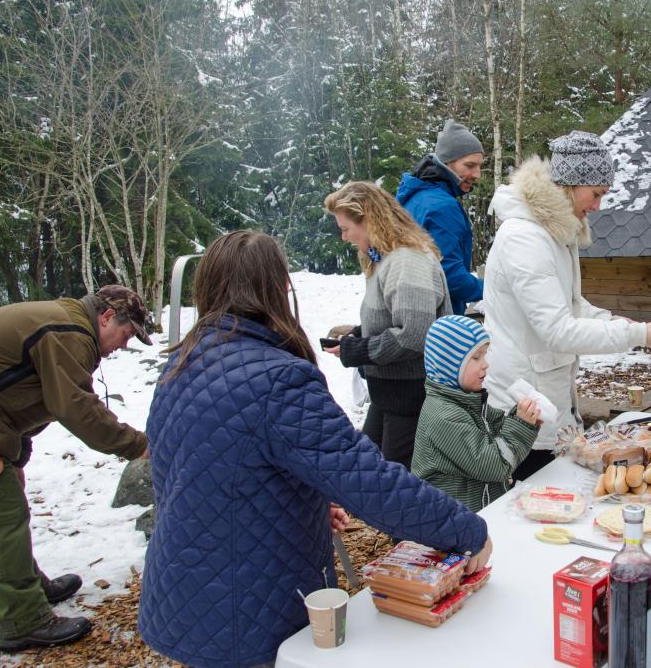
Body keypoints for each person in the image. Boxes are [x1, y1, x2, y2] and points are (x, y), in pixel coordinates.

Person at [139, 231, 490, 667]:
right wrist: (467, 531)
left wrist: (296, 496)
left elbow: (202, 469)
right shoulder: (279, 378)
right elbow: (369, 482)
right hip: (248, 604)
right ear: (278, 290)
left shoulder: (184, 360)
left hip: (181, 591)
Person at [482, 131, 651, 479]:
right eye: (596, 194)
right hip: (524, 402)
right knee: (530, 504)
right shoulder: (525, 237)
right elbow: (557, 330)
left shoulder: (554, 231)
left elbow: (570, 305)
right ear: (570, 184)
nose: (597, 206)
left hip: (546, 393)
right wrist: (638, 334)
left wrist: (616, 323)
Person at [0, 285, 151, 652]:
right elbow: (75, 409)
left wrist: (16, 455)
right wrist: (139, 445)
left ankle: (30, 590)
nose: (124, 345)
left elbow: (18, 390)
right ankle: (24, 621)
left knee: (7, 507)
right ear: (105, 318)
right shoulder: (68, 334)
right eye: (127, 333)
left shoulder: (65, 322)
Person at [323, 181, 451, 468]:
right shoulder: (386, 259)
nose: (344, 237)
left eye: (345, 228)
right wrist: (357, 336)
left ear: (367, 220)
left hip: (410, 397)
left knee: (396, 487)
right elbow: (392, 318)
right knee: (368, 470)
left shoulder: (408, 261)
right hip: (391, 395)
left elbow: (414, 334)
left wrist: (358, 350)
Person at [412, 315, 541, 511]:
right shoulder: (444, 416)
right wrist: (521, 426)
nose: (485, 364)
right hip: (451, 524)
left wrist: (521, 417)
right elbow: (495, 466)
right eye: (475, 357)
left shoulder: (465, 401)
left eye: (485, 355)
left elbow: (497, 428)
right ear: (449, 364)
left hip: (474, 515)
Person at [396, 119, 485, 317]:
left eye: (479, 166)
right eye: (469, 165)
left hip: (412, 309)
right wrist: (491, 291)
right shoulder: (442, 207)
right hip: (438, 320)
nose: (477, 174)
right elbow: (450, 276)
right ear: (447, 162)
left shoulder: (416, 195)